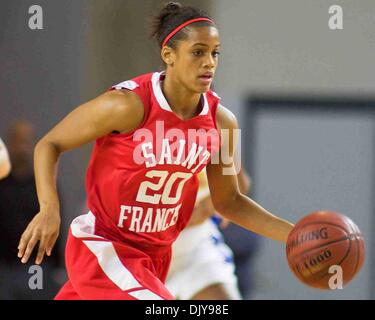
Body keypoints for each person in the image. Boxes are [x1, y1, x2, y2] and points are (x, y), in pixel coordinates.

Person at [17, 2, 294, 300]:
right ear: (169, 55)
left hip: (156, 254)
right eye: (198, 52)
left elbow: (231, 202)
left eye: (215, 53)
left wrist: (296, 235)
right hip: (105, 245)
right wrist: (49, 208)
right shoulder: (128, 105)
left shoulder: (221, 122)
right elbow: (50, 144)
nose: (209, 62)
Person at [165, 167, 250, 300]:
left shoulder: (217, 146)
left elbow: (239, 183)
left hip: (192, 248)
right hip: (131, 250)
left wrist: (215, 203)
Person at [0, 121, 62, 299]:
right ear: (10, 144)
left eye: (26, 142)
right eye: (18, 142)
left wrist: (58, 267)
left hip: (39, 265)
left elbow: (57, 221)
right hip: (7, 267)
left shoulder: (44, 186)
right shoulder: (2, 186)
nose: (22, 148)